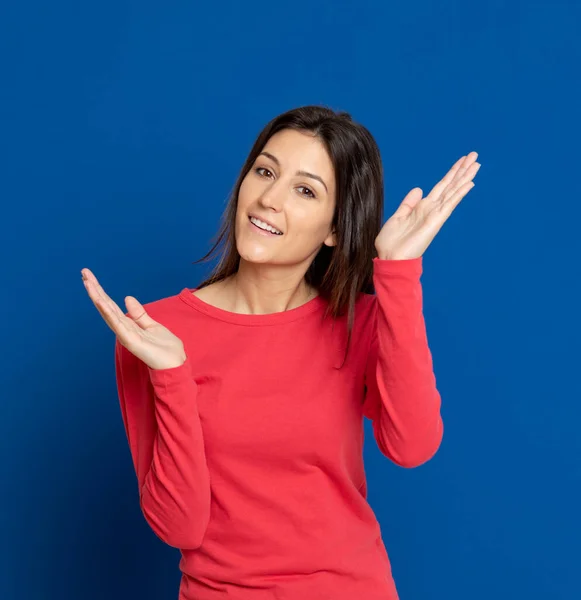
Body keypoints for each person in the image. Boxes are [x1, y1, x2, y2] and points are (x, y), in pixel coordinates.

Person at [81, 105, 480, 600]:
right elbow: (179, 527)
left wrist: (397, 272)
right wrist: (171, 373)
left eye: (305, 190)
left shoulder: (361, 321)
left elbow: (412, 446)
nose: (269, 199)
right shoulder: (156, 333)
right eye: (265, 171)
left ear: (335, 229)